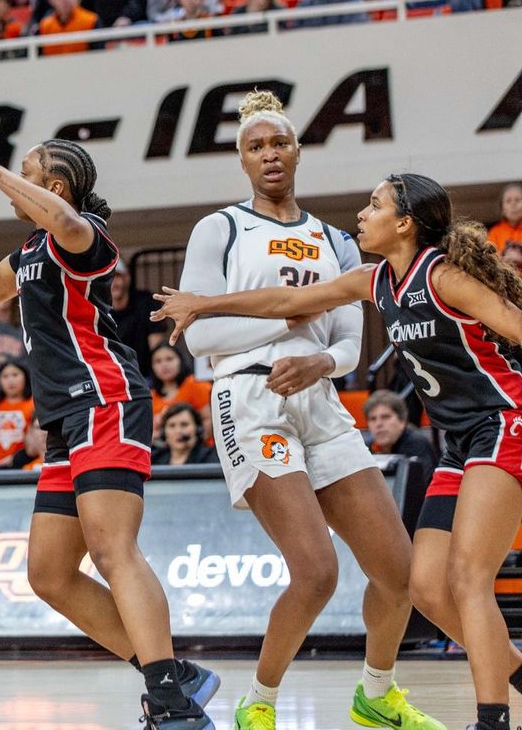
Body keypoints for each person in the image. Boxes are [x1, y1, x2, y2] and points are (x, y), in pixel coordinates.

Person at [154, 173, 522, 730]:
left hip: (503, 422)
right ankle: (512, 672)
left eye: (374, 205)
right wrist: (206, 303)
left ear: (403, 223)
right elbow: (290, 299)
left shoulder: (445, 278)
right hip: (458, 442)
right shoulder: (376, 281)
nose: (361, 213)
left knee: (467, 579)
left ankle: (491, 720)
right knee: (423, 586)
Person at [0, 135, 218, 728]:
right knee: (48, 573)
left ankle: (170, 701)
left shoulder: (85, 236)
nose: (13, 181)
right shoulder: (31, 246)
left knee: (112, 550)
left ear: (52, 187)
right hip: (62, 419)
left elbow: (69, 221)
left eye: (27, 172)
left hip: (105, 398)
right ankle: (175, 674)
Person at [158, 91, 439, 730]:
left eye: (278, 143)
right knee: (315, 572)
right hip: (249, 398)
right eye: (256, 146)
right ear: (242, 158)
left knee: (399, 573)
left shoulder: (335, 239)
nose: (269, 155)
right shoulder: (220, 228)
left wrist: (319, 361)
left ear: (297, 151)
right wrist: (288, 317)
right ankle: (257, 704)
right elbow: (199, 336)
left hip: (319, 397)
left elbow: (347, 343)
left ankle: (376, 694)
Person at [109, 260, 165, 382]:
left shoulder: (145, 302)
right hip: (113, 376)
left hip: (145, 376)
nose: (113, 283)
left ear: (127, 278)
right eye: (108, 278)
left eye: (117, 276)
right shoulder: (98, 309)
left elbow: (156, 345)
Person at [363, 389, 438, 467]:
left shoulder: (417, 444)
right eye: (372, 419)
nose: (378, 424)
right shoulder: (366, 448)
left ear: (402, 421)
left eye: (385, 417)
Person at [150, 342, 211, 434]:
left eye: (169, 359)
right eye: (158, 361)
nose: (164, 365)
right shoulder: (150, 396)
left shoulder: (196, 385)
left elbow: (209, 420)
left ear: (181, 360)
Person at [152, 403, 217, 466]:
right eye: (172, 426)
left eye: (184, 424)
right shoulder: (154, 459)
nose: (178, 431)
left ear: (197, 429)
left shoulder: (210, 457)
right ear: (163, 432)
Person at [487, 183, 522, 252]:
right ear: (502, 208)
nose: (513, 204)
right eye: (508, 201)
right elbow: (490, 258)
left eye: (517, 200)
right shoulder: (494, 233)